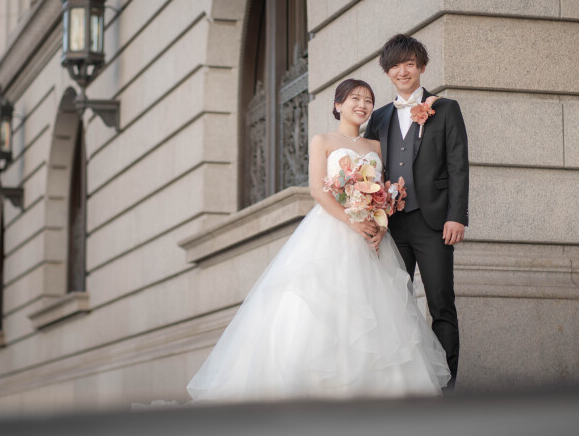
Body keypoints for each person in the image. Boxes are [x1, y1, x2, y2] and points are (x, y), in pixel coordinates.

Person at [186, 79, 450, 402]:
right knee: (324, 308)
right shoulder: (322, 140)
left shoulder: (377, 146)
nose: (362, 105)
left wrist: (380, 225)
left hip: (370, 238)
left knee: (376, 312)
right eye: (355, 98)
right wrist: (351, 221)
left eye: (368, 100)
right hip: (332, 230)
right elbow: (317, 189)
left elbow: (384, 191)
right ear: (338, 105)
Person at [364, 34, 468, 390]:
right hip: (391, 226)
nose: (402, 71)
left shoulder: (446, 109)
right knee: (394, 305)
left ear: (421, 66)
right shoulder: (379, 118)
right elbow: (370, 169)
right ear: (387, 72)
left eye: (409, 63)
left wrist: (457, 215)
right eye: (395, 66)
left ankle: (446, 389)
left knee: (441, 303)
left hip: (434, 222)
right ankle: (402, 386)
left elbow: (458, 165)